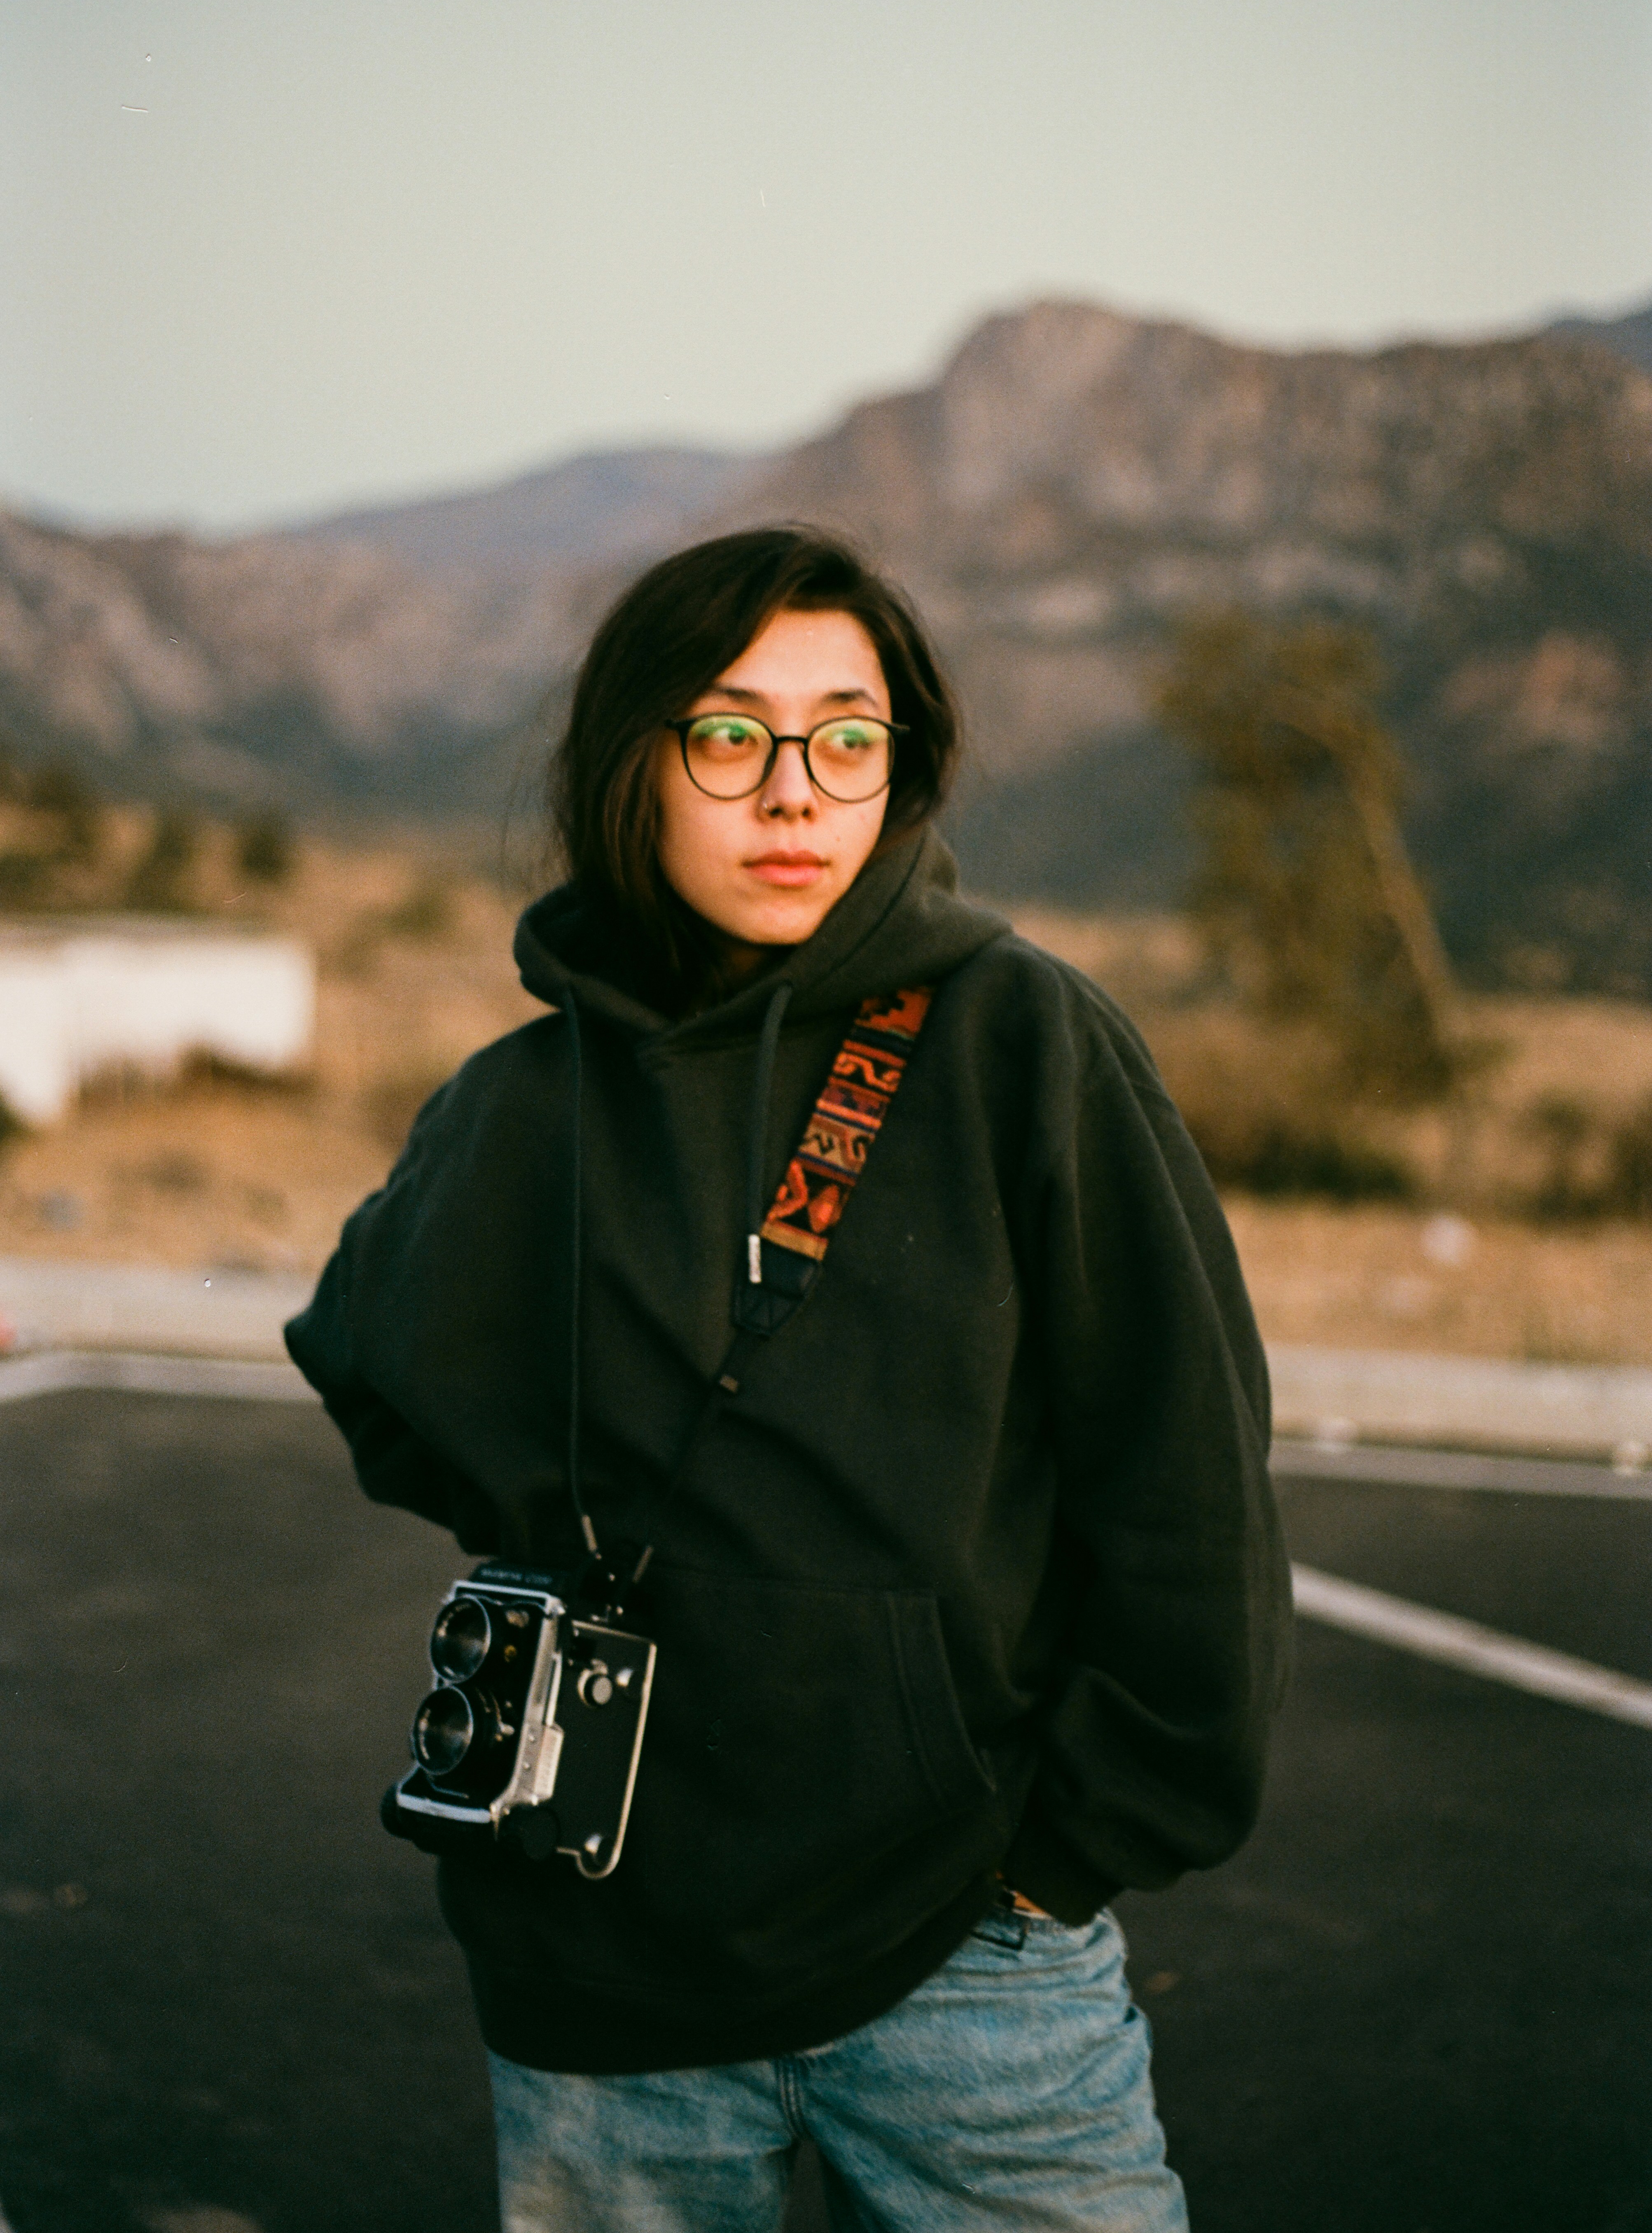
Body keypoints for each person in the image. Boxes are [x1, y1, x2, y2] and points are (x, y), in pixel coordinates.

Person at [286, 525, 1292, 2233]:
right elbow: (368, 1365)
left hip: (970, 1956)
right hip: (597, 1947)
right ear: (638, 763)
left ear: (898, 767)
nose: (792, 794)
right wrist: (581, 1507)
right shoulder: (528, 1100)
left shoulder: (1020, 1046)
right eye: (731, 734)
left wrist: (1065, 1859)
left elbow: (1184, 1480)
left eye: (846, 736)